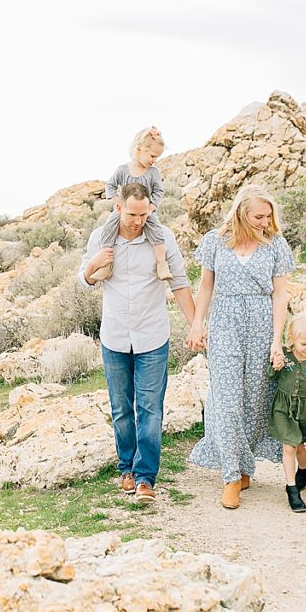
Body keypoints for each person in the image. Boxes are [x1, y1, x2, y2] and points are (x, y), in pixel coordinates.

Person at [78, 182, 196, 504]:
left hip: (152, 336)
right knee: (120, 410)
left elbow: (181, 282)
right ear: (118, 207)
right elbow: (85, 280)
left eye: (144, 215)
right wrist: (93, 265)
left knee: (150, 410)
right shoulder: (100, 238)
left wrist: (197, 324)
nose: (137, 221)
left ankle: (145, 477)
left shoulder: (162, 239)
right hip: (114, 337)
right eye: (132, 214)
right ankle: (125, 468)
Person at [184, 184, 296, 510]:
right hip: (224, 324)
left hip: (262, 323)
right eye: (258, 216)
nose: (265, 221)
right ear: (242, 213)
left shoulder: (276, 245)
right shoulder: (215, 241)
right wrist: (196, 323)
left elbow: (280, 295)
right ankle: (231, 475)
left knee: (256, 397)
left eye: (268, 216)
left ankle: (246, 465)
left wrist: (278, 340)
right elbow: (206, 286)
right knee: (227, 398)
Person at [89, 127, 174, 282]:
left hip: (146, 211)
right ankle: (106, 265)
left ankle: (162, 264)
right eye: (153, 156)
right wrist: (118, 204)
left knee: (156, 230)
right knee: (108, 228)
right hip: (124, 212)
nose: (154, 160)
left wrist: (150, 208)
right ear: (140, 149)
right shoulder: (123, 170)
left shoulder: (153, 172)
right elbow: (110, 186)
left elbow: (158, 192)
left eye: (157, 157)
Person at [268, 315, 306, 513]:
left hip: (305, 409)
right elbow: (271, 376)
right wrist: (275, 366)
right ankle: (292, 488)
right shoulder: (284, 354)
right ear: (292, 339)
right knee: (289, 447)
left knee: (300, 445)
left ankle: (303, 472)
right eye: (304, 343)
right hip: (284, 408)